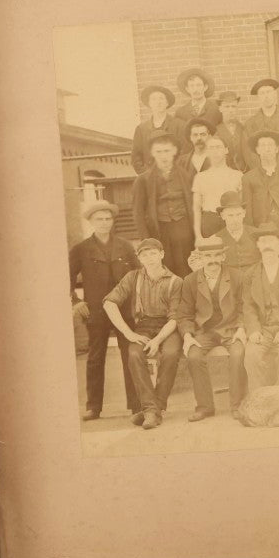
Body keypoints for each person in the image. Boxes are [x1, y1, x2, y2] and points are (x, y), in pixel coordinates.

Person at [101, 237, 183, 429]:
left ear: (162, 254)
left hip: (168, 328)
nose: (149, 258)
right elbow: (109, 303)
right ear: (139, 258)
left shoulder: (175, 281)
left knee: (171, 354)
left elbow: (175, 318)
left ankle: (152, 410)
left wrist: (158, 340)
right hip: (144, 327)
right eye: (144, 255)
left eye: (153, 253)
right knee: (134, 353)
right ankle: (152, 409)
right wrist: (129, 333)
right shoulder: (133, 277)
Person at [68, 201, 140, 421]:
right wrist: (75, 301)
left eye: (108, 219)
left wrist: (137, 303)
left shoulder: (125, 246)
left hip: (124, 310)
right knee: (96, 357)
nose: (104, 223)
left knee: (130, 354)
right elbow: (66, 276)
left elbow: (138, 274)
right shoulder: (81, 249)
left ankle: (137, 405)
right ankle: (93, 407)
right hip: (96, 311)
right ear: (90, 222)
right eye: (99, 219)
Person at [177, 235, 247, 421]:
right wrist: (187, 336)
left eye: (217, 255)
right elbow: (184, 314)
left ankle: (237, 405)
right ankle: (205, 406)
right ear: (201, 258)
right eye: (208, 256)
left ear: (223, 257)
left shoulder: (236, 276)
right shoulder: (191, 280)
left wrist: (241, 328)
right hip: (204, 331)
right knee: (193, 355)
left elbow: (244, 307)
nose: (213, 260)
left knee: (238, 353)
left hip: (231, 328)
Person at [241, 223, 279, 388]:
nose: (267, 245)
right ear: (258, 245)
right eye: (263, 241)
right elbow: (248, 306)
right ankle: (259, 399)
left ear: (278, 243)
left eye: (271, 241)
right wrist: (254, 330)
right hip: (263, 328)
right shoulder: (250, 274)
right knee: (252, 354)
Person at [131, 134, 195, 276]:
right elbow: (138, 213)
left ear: (174, 151)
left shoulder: (186, 176)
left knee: (186, 269)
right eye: (159, 151)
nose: (163, 155)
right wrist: (147, 241)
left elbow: (194, 205)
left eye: (166, 151)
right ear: (152, 153)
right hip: (159, 231)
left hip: (184, 229)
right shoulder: (143, 180)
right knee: (164, 271)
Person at [242, 131, 279, 235]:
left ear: (277, 149)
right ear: (257, 150)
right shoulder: (248, 178)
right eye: (263, 145)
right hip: (262, 230)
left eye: (270, 145)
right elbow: (247, 210)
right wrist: (251, 231)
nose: (267, 149)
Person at [191, 134, 243, 239]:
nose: (215, 151)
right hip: (210, 222)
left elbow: (242, 206)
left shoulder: (237, 175)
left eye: (218, 147)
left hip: (232, 221)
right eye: (211, 148)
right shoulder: (200, 177)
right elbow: (196, 209)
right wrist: (198, 235)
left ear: (226, 150)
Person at [130, 85, 180, 175]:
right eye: (154, 99)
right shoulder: (141, 129)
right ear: (149, 104)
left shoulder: (179, 125)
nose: (158, 102)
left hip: (174, 176)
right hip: (150, 179)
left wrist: (173, 173)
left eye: (161, 98)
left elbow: (184, 154)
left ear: (167, 103)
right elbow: (136, 158)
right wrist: (147, 175)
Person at [242, 78, 279, 168]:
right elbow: (248, 151)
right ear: (258, 97)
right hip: (260, 173)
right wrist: (261, 169)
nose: (266, 96)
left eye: (269, 92)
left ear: (275, 94)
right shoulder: (250, 124)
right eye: (262, 93)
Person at [217, 190, 261, 278]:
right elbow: (195, 260)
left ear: (244, 213)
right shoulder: (216, 239)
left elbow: (277, 256)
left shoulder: (258, 234)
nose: (235, 219)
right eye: (230, 215)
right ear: (222, 216)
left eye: (238, 214)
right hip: (230, 285)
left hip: (254, 282)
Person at [173, 68, 222, 132]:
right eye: (192, 86)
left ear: (205, 87)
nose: (195, 90)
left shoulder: (216, 109)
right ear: (187, 89)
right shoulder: (180, 113)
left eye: (198, 85)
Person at [215, 90, 248, 170]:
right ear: (220, 108)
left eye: (233, 106)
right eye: (227, 106)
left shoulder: (245, 129)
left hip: (245, 174)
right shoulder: (216, 132)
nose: (231, 110)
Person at [178, 117, 215, 183]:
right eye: (195, 135)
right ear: (190, 138)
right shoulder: (182, 162)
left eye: (203, 134)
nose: (199, 138)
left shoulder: (217, 158)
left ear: (209, 136)